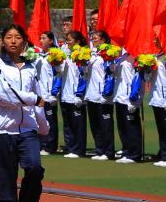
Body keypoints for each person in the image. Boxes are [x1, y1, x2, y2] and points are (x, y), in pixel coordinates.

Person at [0, 24, 47, 202]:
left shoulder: (31, 67)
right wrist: (33, 99)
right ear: (2, 41)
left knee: (35, 168)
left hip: (28, 128)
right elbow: (4, 94)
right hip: (4, 129)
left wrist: (43, 125)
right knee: (7, 176)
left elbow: (40, 98)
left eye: (18, 37)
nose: (13, 41)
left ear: (25, 42)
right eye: (9, 37)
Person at [84, 30, 117, 160]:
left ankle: (108, 151)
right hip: (91, 93)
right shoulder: (93, 54)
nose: (93, 40)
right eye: (92, 38)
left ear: (103, 40)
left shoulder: (108, 53)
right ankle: (100, 150)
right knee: (95, 124)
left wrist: (107, 93)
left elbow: (110, 74)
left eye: (96, 38)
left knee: (105, 125)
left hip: (103, 95)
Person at [59, 30, 89, 158]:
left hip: (76, 96)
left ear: (77, 41)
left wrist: (79, 94)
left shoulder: (83, 55)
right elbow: (60, 73)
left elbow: (83, 76)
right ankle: (70, 147)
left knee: (78, 125)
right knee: (68, 124)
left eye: (70, 40)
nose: (67, 43)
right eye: (67, 40)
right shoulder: (67, 56)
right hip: (65, 95)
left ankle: (79, 150)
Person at [114, 49, 144, 163]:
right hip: (119, 96)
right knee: (123, 127)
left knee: (131, 127)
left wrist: (135, 100)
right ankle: (126, 151)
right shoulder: (122, 56)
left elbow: (139, 78)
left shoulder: (137, 57)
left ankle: (134, 154)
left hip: (130, 98)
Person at [36, 31, 61, 154]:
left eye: (44, 38)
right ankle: (42, 144)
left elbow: (58, 75)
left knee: (50, 121)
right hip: (39, 94)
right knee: (40, 120)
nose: (41, 40)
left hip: (49, 94)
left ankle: (51, 146)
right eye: (40, 38)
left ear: (51, 41)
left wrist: (54, 93)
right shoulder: (39, 56)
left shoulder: (55, 55)